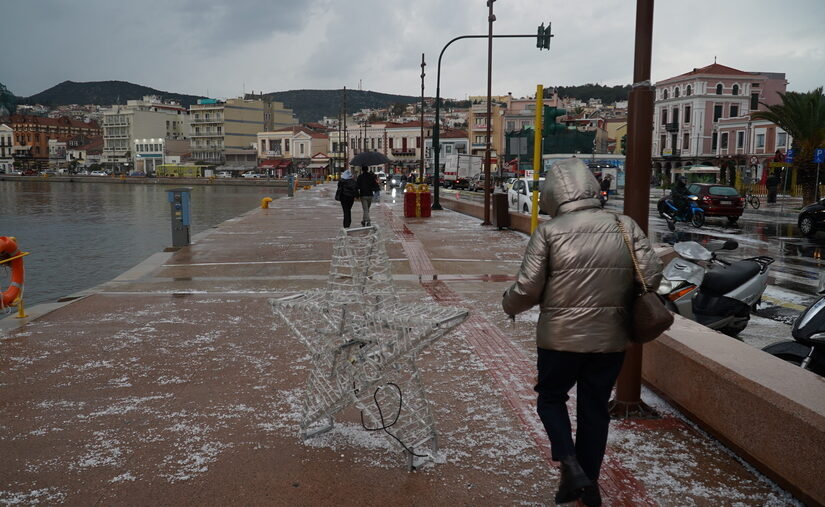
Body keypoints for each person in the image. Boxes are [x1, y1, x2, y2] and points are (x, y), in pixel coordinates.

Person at [502, 158, 662, 507]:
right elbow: (650, 277)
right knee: (594, 408)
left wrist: (509, 305)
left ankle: (571, 466)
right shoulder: (624, 225)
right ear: (591, 187)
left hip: (560, 340)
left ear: (554, 195)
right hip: (611, 339)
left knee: (550, 398)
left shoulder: (549, 231)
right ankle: (587, 484)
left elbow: (528, 288)